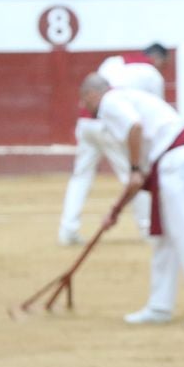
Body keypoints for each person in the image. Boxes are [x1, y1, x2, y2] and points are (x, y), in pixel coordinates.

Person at [78, 72, 184, 330]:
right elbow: (137, 179)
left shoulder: (109, 102)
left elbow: (134, 129)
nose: (86, 106)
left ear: (93, 94)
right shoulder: (124, 98)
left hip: (174, 158)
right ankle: (160, 306)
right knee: (165, 236)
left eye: (85, 100)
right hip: (174, 158)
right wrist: (116, 209)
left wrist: (135, 167)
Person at [58, 45, 168, 245]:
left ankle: (67, 230)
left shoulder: (113, 61)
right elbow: (155, 112)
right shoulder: (153, 75)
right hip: (112, 123)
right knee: (133, 175)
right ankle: (147, 228)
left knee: (81, 175)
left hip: (86, 122)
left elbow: (94, 88)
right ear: (158, 59)